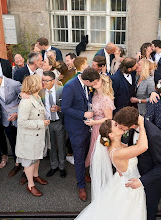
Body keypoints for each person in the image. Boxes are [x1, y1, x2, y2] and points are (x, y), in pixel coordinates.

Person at [75, 117, 148, 220]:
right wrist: (141, 124)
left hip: (123, 180)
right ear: (111, 135)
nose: (119, 125)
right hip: (129, 189)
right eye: (116, 125)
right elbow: (143, 147)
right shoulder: (116, 152)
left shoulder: (118, 145)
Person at [114, 107, 161, 220]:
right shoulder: (133, 128)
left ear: (132, 124)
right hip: (136, 173)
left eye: (121, 126)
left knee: (149, 213)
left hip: (151, 183)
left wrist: (141, 181)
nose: (119, 128)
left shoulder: (154, 135)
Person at [61, 67, 100, 201]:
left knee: (86, 153)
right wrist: (83, 114)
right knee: (78, 156)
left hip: (88, 126)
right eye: (93, 82)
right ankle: (81, 185)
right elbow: (65, 108)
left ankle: (83, 174)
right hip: (76, 128)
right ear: (87, 80)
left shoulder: (85, 83)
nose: (94, 85)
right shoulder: (70, 86)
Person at [16, 75, 49, 197]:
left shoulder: (37, 96)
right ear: (35, 85)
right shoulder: (26, 102)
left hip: (37, 135)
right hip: (29, 138)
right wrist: (41, 123)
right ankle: (30, 184)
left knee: (37, 157)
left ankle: (35, 176)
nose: (43, 82)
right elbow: (21, 122)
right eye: (41, 81)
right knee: (29, 161)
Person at [39, 71, 67, 178]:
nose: (44, 82)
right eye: (43, 80)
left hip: (59, 121)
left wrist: (59, 108)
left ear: (53, 81)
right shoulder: (41, 92)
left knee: (61, 144)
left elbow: (67, 105)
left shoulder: (61, 90)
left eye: (46, 80)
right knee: (51, 145)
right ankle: (53, 166)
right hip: (47, 122)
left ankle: (62, 167)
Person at [83, 74, 115, 167]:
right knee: (93, 148)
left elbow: (109, 118)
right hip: (94, 125)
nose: (95, 82)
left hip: (101, 127)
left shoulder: (106, 99)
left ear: (104, 83)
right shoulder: (95, 95)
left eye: (98, 80)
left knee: (100, 150)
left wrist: (94, 122)